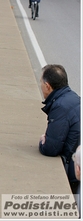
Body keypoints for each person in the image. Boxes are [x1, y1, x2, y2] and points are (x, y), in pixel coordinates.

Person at [38, 64, 80, 193]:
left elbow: (51, 148)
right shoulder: (73, 98)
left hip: (73, 169)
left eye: (41, 82)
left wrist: (42, 142)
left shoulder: (60, 106)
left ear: (47, 86)